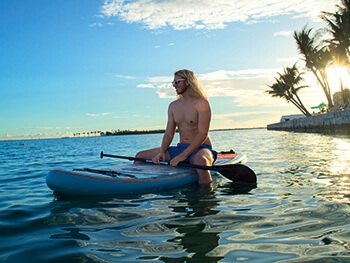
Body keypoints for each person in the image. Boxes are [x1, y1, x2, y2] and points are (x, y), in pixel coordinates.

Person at [135, 69, 217, 184]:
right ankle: (136, 184)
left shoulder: (201, 103)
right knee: (140, 156)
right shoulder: (173, 106)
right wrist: (162, 152)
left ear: (188, 82)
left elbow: (202, 133)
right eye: (173, 83)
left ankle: (205, 198)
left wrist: (183, 155)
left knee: (201, 162)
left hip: (200, 149)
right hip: (181, 147)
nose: (174, 86)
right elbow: (169, 133)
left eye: (177, 82)